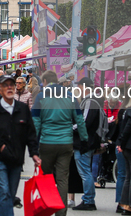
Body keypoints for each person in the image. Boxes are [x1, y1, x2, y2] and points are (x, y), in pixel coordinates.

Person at [0, 75, 41, 216]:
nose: (9, 88)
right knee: (4, 191)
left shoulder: (22, 109)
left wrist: (34, 154)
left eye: (12, 85)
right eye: (5, 85)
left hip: (17, 158)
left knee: (11, 193)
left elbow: (30, 133)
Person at [32, 70, 88, 216]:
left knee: (46, 177)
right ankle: (61, 212)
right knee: (63, 179)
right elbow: (80, 120)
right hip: (66, 143)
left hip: (46, 143)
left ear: (44, 82)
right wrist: (84, 139)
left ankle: (46, 208)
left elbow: (36, 122)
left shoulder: (41, 97)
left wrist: (33, 144)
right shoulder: (70, 96)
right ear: (56, 80)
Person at [70, 77, 101, 211]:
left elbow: (84, 122)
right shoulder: (91, 100)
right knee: (85, 171)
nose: (78, 89)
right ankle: (89, 199)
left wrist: (69, 128)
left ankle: (88, 200)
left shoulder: (90, 101)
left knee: (85, 172)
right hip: (87, 141)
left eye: (79, 86)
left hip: (84, 142)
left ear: (84, 86)